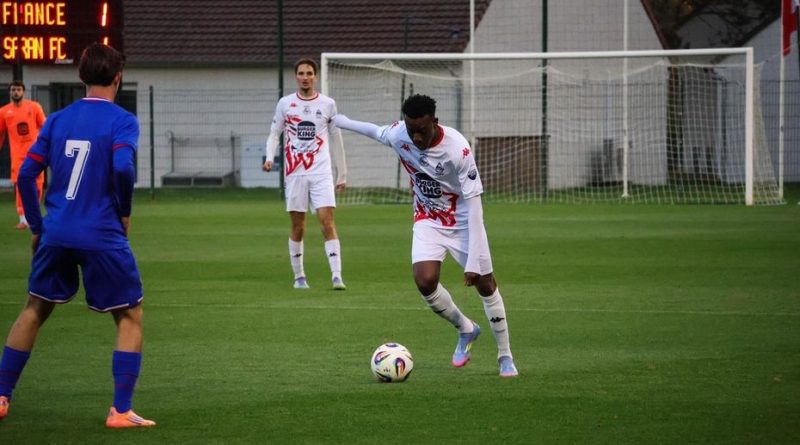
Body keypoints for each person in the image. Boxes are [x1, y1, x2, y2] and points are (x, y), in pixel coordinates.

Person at [0, 43, 155, 428]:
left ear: (81, 76)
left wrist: (37, 226)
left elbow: (25, 175)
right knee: (129, 315)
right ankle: (120, 410)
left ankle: (1, 395)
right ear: (118, 77)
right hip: (101, 232)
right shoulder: (123, 120)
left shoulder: (56, 120)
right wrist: (124, 211)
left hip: (56, 231)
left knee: (34, 308)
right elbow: (123, 167)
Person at [333, 94, 518, 377]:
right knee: (425, 281)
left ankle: (505, 356)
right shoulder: (399, 134)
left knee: (485, 284)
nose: (416, 137)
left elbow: (475, 207)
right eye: (411, 130)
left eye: (421, 130)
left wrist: (472, 262)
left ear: (435, 122)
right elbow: (374, 131)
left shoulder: (457, 149)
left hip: (463, 220)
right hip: (428, 219)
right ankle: (466, 328)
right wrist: (340, 121)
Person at [262, 58, 348, 290]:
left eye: (309, 73)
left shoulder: (328, 104)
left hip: (321, 171)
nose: (305, 77)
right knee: (298, 226)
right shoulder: (285, 104)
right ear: (296, 77)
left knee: (327, 222)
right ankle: (299, 277)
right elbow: (274, 134)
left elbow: (336, 138)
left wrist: (342, 174)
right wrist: (269, 158)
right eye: (301, 73)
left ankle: (337, 276)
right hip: (295, 173)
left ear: (315, 77)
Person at [0, 80, 46, 229]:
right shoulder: (4, 112)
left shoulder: (34, 107)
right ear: (10, 92)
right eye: (13, 90)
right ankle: (22, 218)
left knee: (38, 185)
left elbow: (44, 127)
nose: (16, 92)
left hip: (35, 154)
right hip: (17, 156)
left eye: (18, 89)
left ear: (23, 92)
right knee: (20, 184)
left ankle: (33, 214)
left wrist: (46, 145)